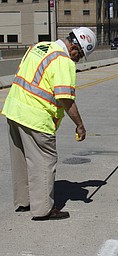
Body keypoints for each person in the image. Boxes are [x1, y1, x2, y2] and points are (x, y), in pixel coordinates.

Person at [1, 27, 97, 221]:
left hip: (13, 109)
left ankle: (24, 201)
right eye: (78, 57)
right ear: (75, 49)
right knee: (45, 160)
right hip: (36, 117)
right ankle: (43, 209)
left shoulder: (40, 46)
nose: (76, 61)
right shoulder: (63, 60)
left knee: (21, 159)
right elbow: (65, 99)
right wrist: (80, 125)